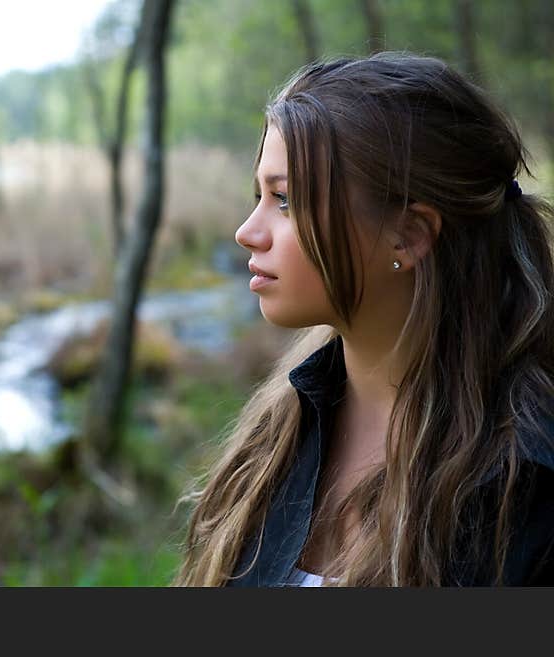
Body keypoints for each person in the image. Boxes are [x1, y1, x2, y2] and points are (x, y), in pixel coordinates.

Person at [172, 52, 554, 586]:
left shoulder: (524, 484)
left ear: (410, 234)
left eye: (284, 201)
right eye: (258, 195)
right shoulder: (273, 437)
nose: (247, 232)